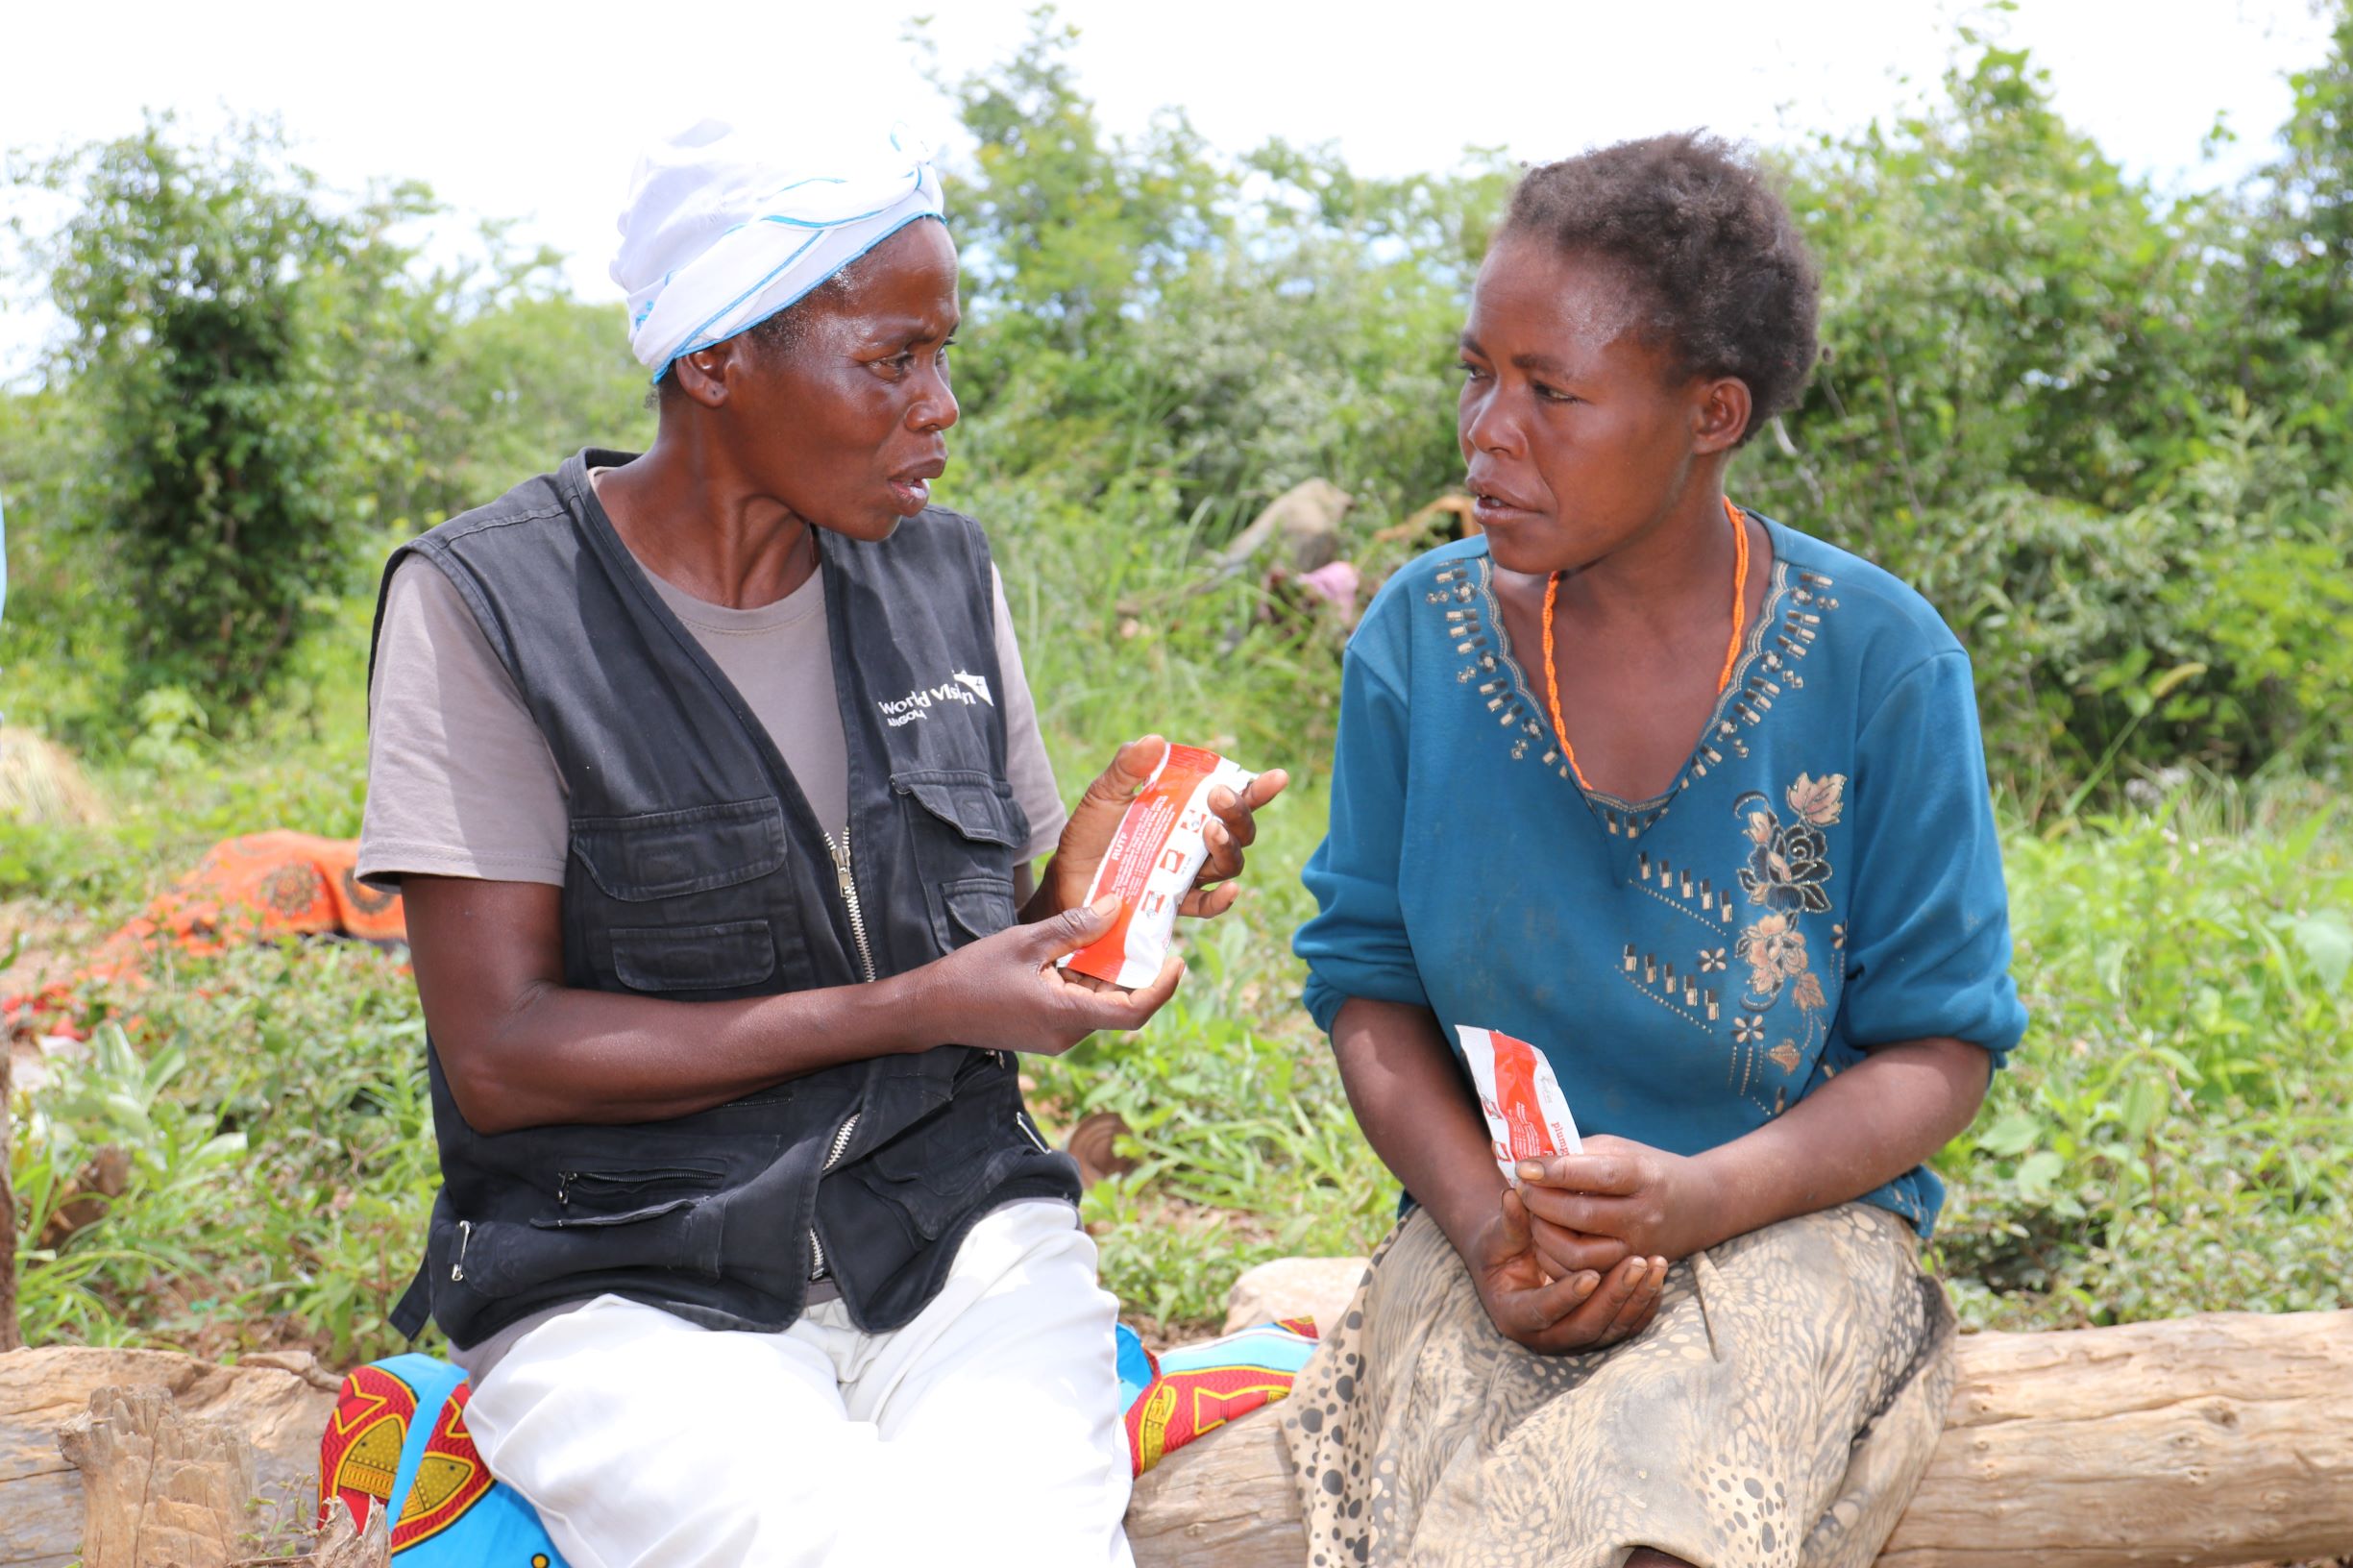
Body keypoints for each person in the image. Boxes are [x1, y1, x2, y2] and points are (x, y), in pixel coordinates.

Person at [356, 118, 1285, 1568]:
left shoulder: (940, 576)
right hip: (624, 1271)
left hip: (952, 1237)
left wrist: (1101, 887)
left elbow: (990, 965)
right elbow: (503, 1053)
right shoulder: (491, 607)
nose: (942, 405)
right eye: (892, 358)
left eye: (943, 354)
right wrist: (911, 1008)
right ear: (717, 359)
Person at [1286, 132, 2026, 1568]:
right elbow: (1365, 987)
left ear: (1710, 413)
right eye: (1477, 373)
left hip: (1792, 1219)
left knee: (1655, 1528)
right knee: (1443, 1525)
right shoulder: (1417, 650)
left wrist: (1702, 1199)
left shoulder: (1877, 665)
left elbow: (1937, 1048)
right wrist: (1485, 1226)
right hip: (1498, 1228)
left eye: (1550, 391)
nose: (1486, 430)